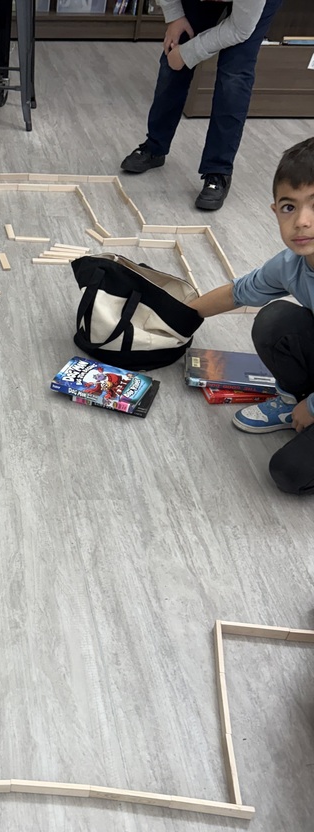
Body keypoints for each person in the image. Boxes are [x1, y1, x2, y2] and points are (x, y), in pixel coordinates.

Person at [189, 137, 314, 492]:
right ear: (276, 211)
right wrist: (180, 315)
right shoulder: (291, 264)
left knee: (290, 472)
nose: (302, 222)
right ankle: (292, 400)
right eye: (290, 207)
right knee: (275, 320)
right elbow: (237, 292)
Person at [120, 0, 283, 211]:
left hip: (251, 11)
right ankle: (154, 147)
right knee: (173, 54)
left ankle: (218, 170)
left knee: (234, 75)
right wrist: (175, 17)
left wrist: (188, 53)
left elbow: (239, 29)